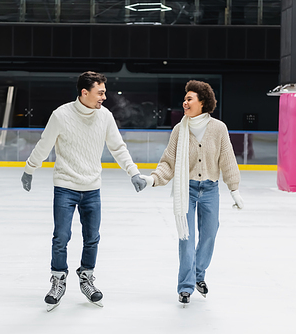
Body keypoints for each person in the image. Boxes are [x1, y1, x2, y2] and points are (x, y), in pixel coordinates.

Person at [21, 71, 147, 311]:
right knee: (61, 237)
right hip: (65, 186)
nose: (104, 97)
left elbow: (118, 148)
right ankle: (58, 280)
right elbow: (44, 144)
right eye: (100, 92)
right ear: (84, 92)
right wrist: (30, 169)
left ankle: (86, 278)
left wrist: (133, 172)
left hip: (92, 188)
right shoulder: (61, 115)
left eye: (105, 92)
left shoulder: (105, 117)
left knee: (92, 238)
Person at [140, 80, 244, 306]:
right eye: (185, 99)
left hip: (210, 189)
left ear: (202, 102)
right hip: (185, 189)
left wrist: (234, 189)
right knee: (186, 239)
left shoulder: (218, 128)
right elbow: (168, 162)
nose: (185, 102)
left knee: (209, 234)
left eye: (189, 99)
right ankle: (186, 286)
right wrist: (152, 179)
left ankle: (199, 275)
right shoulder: (180, 129)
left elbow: (227, 160)